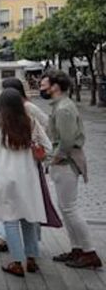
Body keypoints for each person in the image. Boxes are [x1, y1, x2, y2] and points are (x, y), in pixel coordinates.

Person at [0, 88, 51, 277]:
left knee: (9, 218)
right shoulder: (31, 122)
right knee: (29, 216)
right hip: (28, 177)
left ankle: (17, 262)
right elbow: (48, 147)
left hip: (4, 176)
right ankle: (31, 258)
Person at [40, 70, 102, 269]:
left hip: (66, 163)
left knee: (70, 208)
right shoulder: (61, 106)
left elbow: (66, 141)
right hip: (63, 162)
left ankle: (89, 251)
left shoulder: (63, 109)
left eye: (44, 85)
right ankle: (77, 248)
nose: (41, 88)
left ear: (55, 86)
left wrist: (55, 159)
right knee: (66, 208)